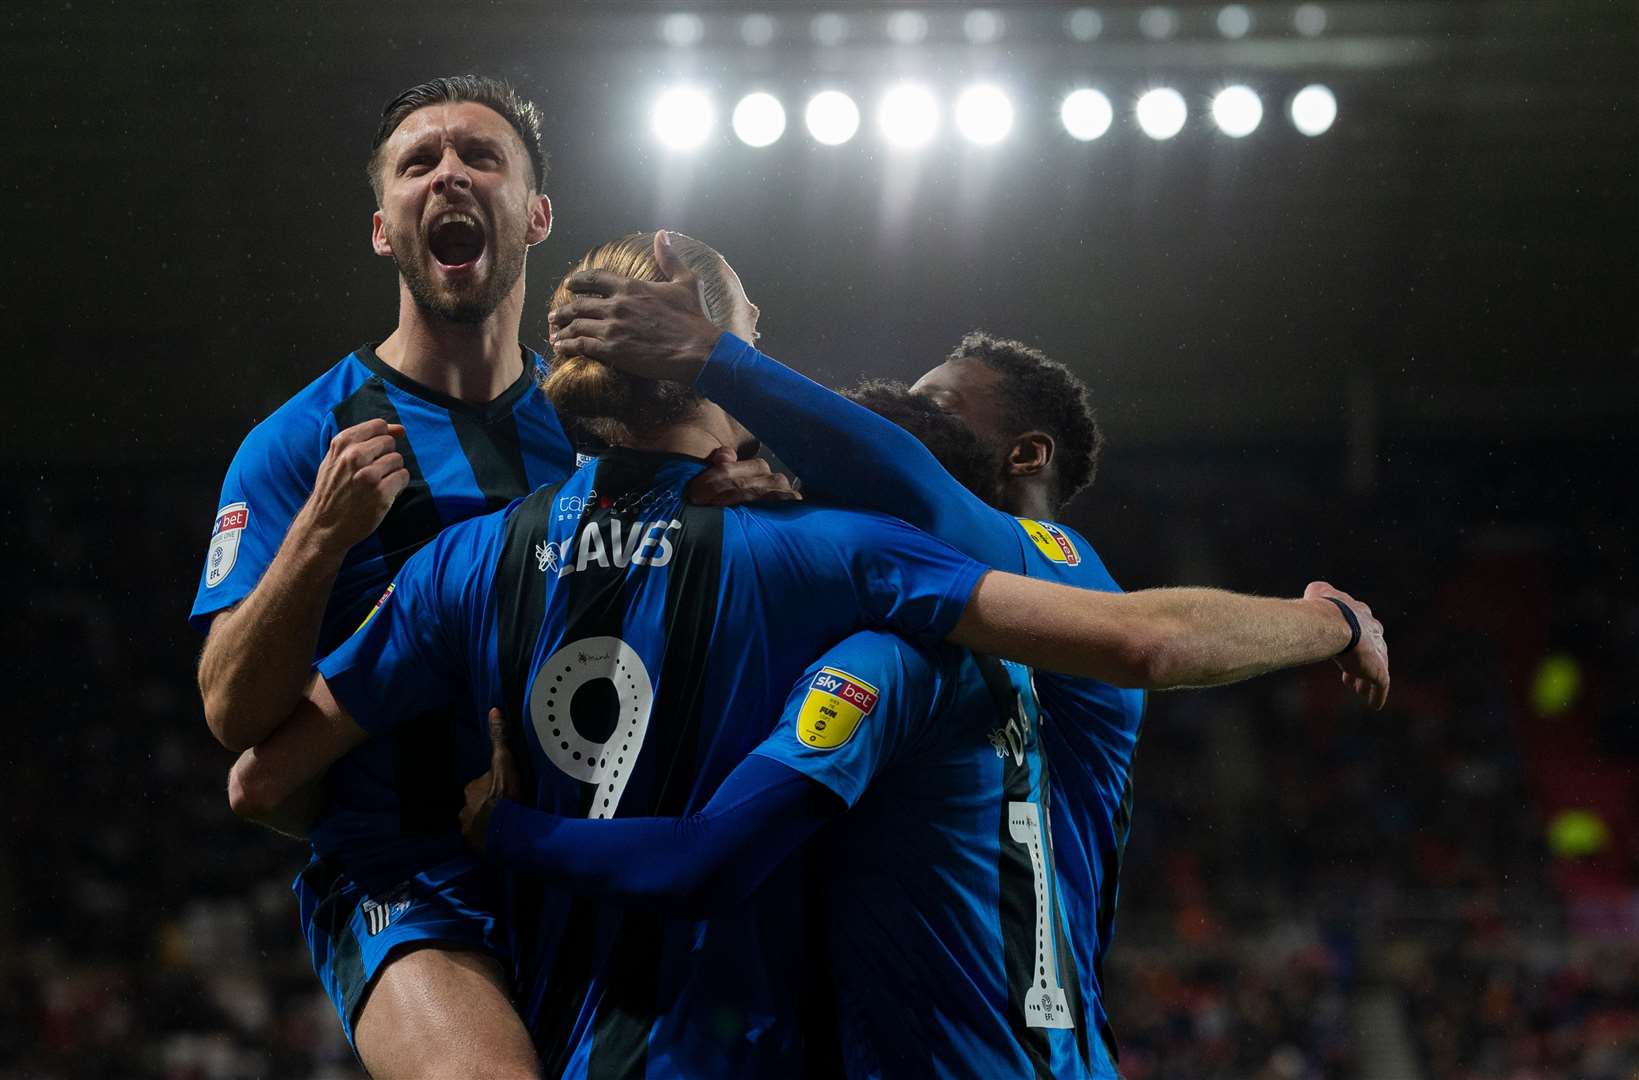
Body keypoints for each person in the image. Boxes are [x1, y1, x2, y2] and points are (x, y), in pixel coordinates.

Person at [229, 231, 1386, 1075]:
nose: (879, 423)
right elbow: (1134, 638)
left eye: (922, 411)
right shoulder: (849, 571)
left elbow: (262, 777)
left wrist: (479, 839)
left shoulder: (461, 562)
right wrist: (1328, 618)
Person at [190, 80, 788, 1078]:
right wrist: (318, 541)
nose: (449, 175)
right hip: (408, 873)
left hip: (578, 853)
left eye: (481, 157)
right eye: (417, 165)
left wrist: (737, 497)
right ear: (385, 230)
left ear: (536, 216)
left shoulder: (597, 424)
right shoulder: (299, 442)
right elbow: (230, 714)